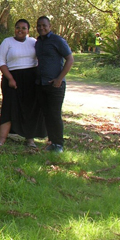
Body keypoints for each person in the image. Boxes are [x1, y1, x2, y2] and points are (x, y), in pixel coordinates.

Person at [0, 19, 46, 147]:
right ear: (14, 29)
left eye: (23, 28)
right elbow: (0, 61)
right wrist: (10, 78)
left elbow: (41, 58)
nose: (20, 30)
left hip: (31, 79)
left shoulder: (33, 42)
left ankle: (30, 139)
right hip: (12, 78)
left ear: (28, 30)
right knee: (9, 108)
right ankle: (1, 140)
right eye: (18, 27)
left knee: (30, 109)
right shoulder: (7, 42)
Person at [35, 16, 74, 153]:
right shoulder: (38, 42)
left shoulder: (57, 40)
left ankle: (59, 144)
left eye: (44, 25)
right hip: (41, 84)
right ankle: (51, 142)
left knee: (55, 114)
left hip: (55, 85)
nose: (41, 28)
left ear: (50, 26)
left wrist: (59, 78)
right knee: (46, 114)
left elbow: (70, 59)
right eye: (39, 25)